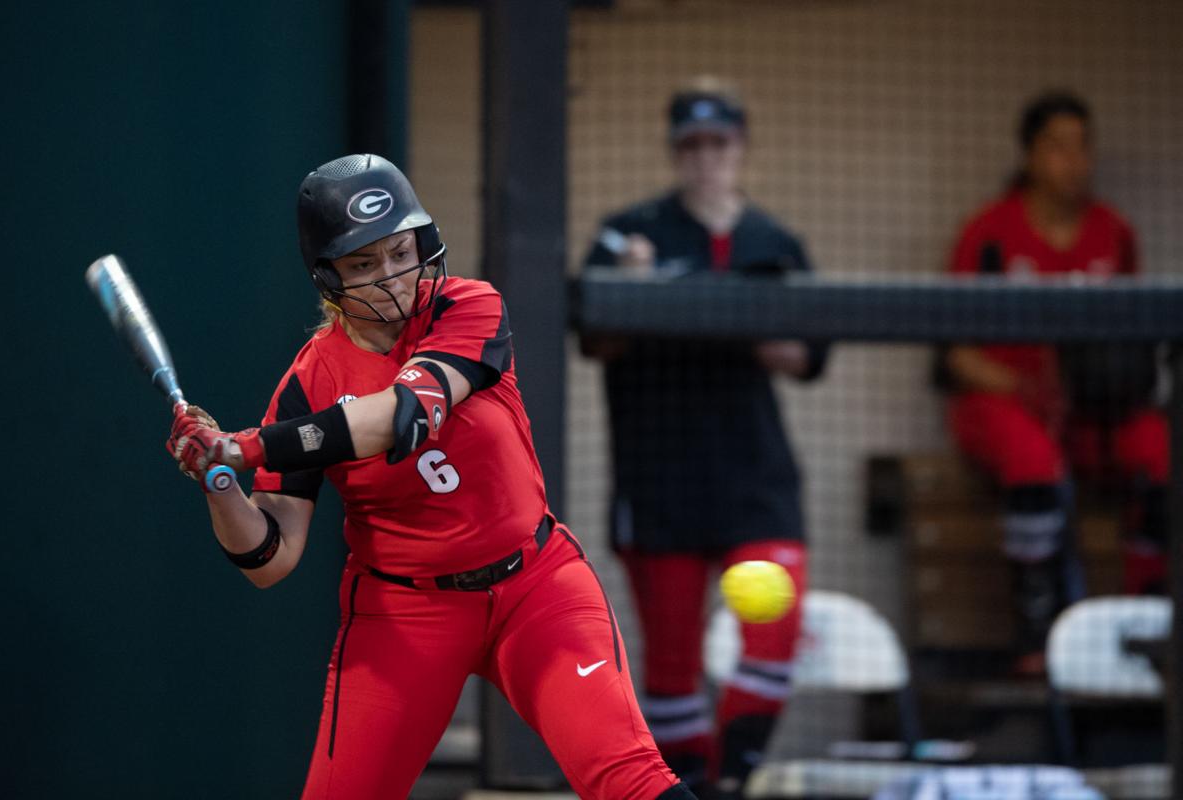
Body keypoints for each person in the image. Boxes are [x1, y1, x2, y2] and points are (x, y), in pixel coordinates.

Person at [165, 154, 698, 800]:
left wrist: (244, 446)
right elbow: (271, 556)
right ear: (328, 276)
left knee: (630, 778)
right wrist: (220, 482)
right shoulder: (308, 384)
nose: (392, 277)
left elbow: (407, 413)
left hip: (535, 586)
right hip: (403, 612)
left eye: (400, 251)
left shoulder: (467, 306)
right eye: (363, 263)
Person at [582, 78, 828, 799]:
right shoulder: (627, 232)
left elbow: (808, 355)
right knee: (668, 663)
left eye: (718, 142)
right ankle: (687, 789)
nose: (706, 158)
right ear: (674, 152)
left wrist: (738, 317)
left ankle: (734, 781)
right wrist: (634, 288)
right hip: (659, 474)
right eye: (691, 144)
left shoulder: (775, 242)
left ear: (741, 146)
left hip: (756, 475)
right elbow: (597, 341)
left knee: (774, 639)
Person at [943, 91, 1169, 673]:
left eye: (1083, 146)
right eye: (1058, 147)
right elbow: (954, 353)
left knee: (1157, 448)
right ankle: (1036, 631)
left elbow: (1135, 334)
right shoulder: (989, 232)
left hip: (1094, 409)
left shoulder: (1113, 232)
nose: (1074, 161)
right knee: (1031, 456)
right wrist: (1019, 385)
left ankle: (1153, 615)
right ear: (1030, 154)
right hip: (1005, 400)